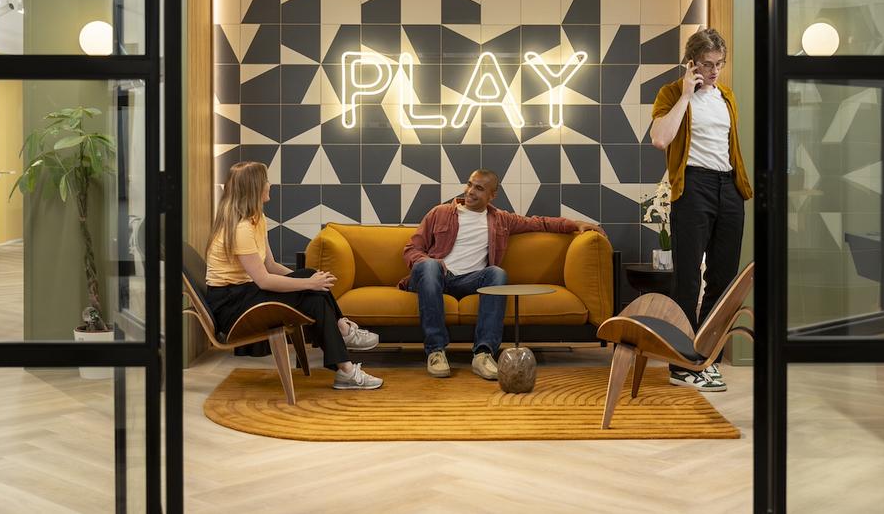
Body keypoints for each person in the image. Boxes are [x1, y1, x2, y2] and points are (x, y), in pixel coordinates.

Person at [401, 169, 604, 380]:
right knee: (429, 266)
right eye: (469, 184)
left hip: (471, 280)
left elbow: (540, 222)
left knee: (497, 273)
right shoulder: (440, 212)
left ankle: (483, 354)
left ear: (492, 195)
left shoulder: (501, 220)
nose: (470, 191)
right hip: (435, 278)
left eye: (479, 188)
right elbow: (411, 249)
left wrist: (576, 224)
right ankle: (436, 351)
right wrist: (430, 261)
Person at [205, 161, 383, 390]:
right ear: (255, 187)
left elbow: (270, 265)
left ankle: (344, 350)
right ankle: (345, 351)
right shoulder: (241, 229)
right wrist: (307, 284)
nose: (269, 184)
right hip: (232, 304)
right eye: (266, 180)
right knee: (311, 289)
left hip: (247, 292)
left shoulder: (257, 219)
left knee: (311, 280)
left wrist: (309, 281)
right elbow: (264, 280)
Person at [649, 28, 752, 392]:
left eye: (719, 64)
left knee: (723, 280)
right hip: (693, 186)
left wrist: (737, 186)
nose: (714, 71)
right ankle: (681, 363)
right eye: (707, 64)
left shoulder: (727, 97)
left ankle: (706, 359)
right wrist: (686, 95)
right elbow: (660, 138)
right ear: (691, 63)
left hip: (728, 187)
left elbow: (729, 147)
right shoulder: (671, 93)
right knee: (688, 279)